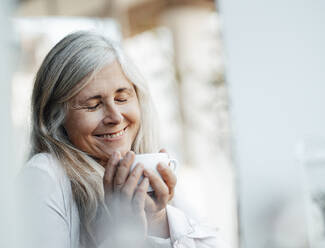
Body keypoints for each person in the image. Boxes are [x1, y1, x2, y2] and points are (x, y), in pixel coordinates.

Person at [18, 31, 223, 248]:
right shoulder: (43, 176)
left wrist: (157, 219)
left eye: (122, 98)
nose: (115, 117)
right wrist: (123, 230)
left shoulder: (145, 170)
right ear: (56, 118)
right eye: (93, 105)